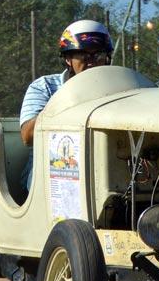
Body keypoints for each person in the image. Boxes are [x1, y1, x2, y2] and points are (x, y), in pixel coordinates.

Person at [18, 19, 113, 189]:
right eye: (83, 55)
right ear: (68, 58)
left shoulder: (119, 88)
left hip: (106, 165)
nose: (91, 61)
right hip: (52, 167)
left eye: (98, 54)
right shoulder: (45, 87)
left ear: (107, 58)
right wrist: (70, 98)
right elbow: (28, 136)